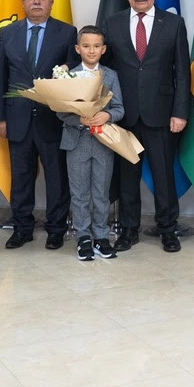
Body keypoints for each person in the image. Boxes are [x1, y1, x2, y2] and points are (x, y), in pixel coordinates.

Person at [102, 0, 191, 253]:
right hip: (124, 116)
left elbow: (182, 73)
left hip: (162, 114)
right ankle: (129, 230)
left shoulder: (174, 23)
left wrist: (180, 112)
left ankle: (168, 230)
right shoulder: (112, 23)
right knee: (128, 177)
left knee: (164, 175)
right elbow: (105, 70)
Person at [0, 0, 77, 250]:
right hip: (17, 120)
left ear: (52, 2)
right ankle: (22, 228)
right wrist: (1, 118)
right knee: (21, 177)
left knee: (57, 178)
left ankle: (56, 229)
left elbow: (74, 77)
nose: (37, 1)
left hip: (53, 120)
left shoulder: (67, 33)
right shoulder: (7, 33)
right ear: (23, 1)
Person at [58, 25, 124, 262]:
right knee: (79, 193)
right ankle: (83, 237)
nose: (91, 50)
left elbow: (119, 108)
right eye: (86, 46)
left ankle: (101, 237)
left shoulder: (111, 75)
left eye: (96, 46)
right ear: (78, 49)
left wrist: (107, 115)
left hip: (103, 143)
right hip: (76, 142)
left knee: (101, 192)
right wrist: (79, 119)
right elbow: (60, 111)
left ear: (103, 49)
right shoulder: (68, 77)